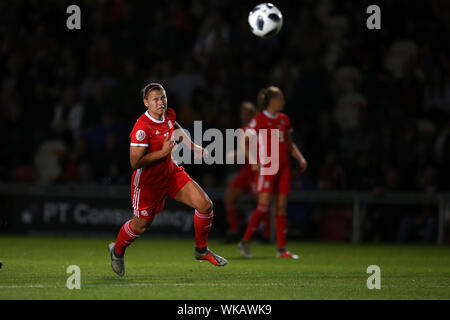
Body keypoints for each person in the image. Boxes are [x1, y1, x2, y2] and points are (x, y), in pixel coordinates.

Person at [108, 83, 227, 277]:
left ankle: (201, 250)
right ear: (146, 102)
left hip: (170, 173)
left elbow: (175, 127)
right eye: (155, 99)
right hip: (147, 182)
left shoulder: (169, 114)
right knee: (142, 225)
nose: (161, 102)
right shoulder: (141, 127)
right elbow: (135, 162)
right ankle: (118, 250)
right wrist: (162, 152)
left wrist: (192, 146)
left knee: (205, 205)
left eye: (163, 97)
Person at [238, 86, 308, 259]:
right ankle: (244, 242)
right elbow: (244, 141)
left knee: (282, 207)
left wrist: (300, 158)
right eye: (281, 99)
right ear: (273, 101)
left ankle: (282, 249)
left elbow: (289, 144)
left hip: (284, 168)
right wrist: (253, 161)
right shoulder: (259, 120)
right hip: (268, 167)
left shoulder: (284, 119)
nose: (283, 102)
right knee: (263, 206)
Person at [223, 100, 271, 243]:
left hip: (256, 171)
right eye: (242, 113)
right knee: (229, 198)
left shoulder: (256, 130)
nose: (243, 115)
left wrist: (235, 155)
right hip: (246, 172)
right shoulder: (244, 129)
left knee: (262, 203)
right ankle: (234, 231)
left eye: (246, 113)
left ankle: (267, 235)